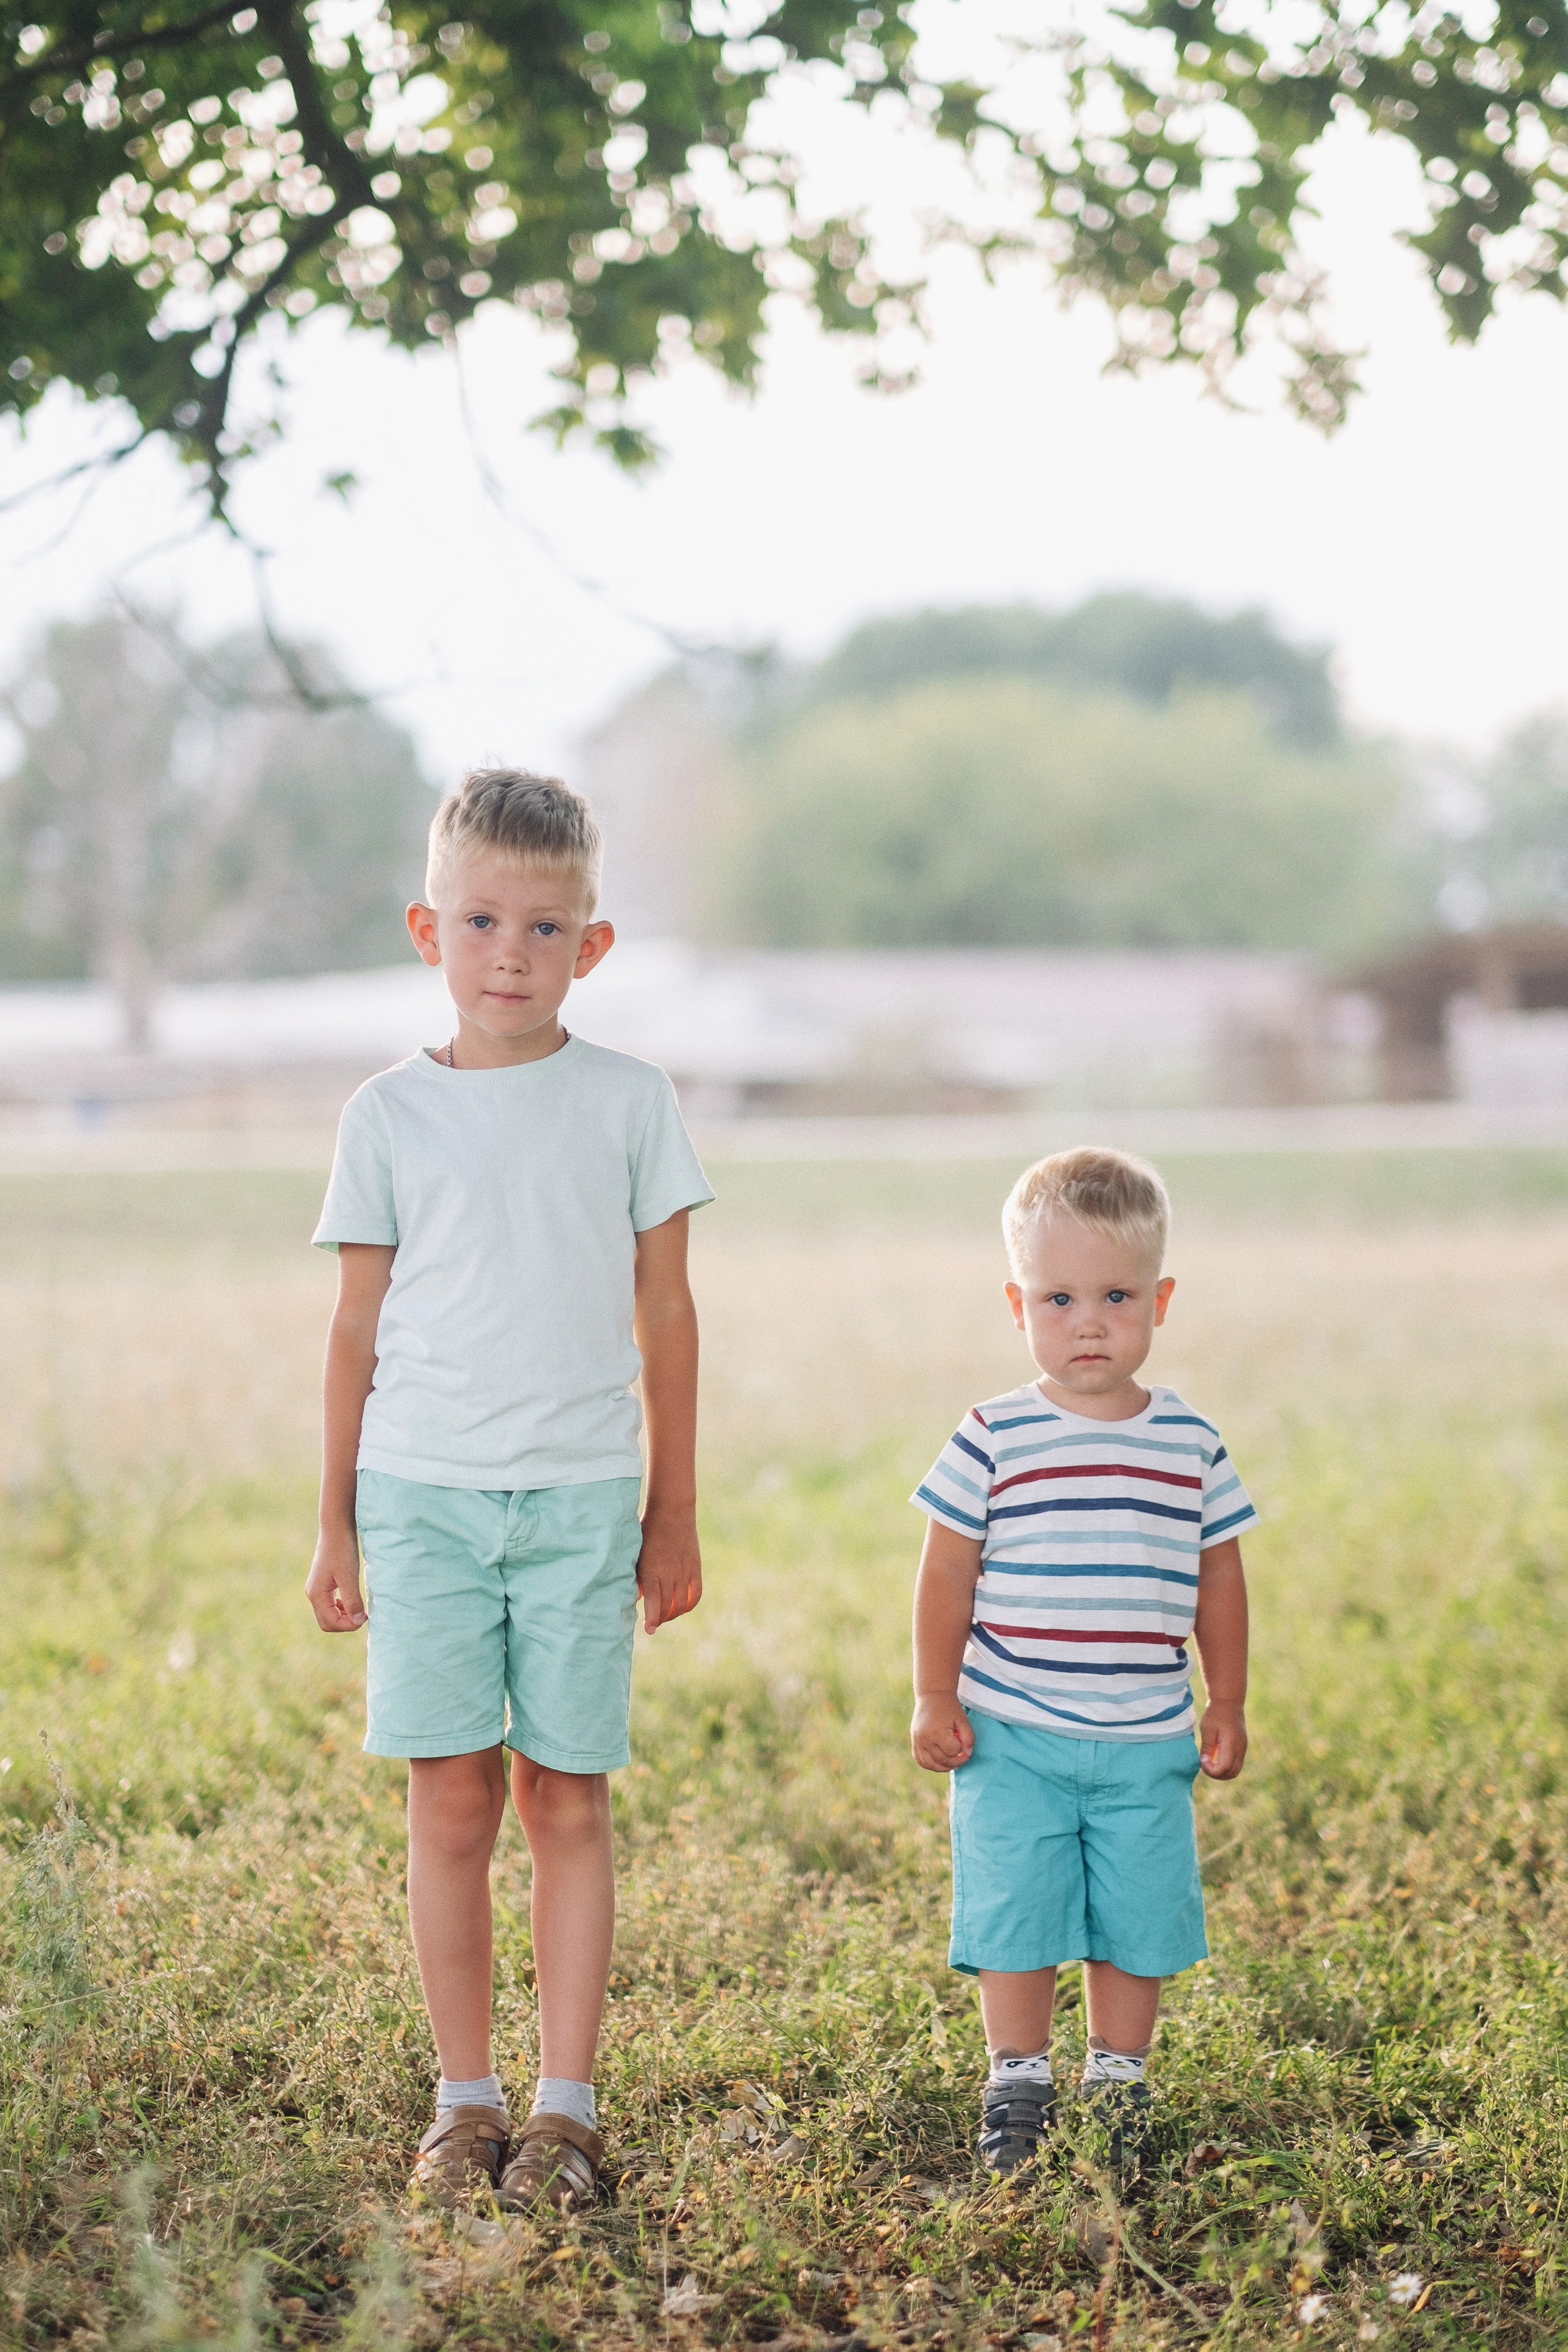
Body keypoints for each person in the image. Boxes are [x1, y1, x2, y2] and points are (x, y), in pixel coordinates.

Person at [305, 767, 712, 2213]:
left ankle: (564, 2111)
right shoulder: (387, 1116)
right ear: (430, 928)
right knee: (452, 1802)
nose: (508, 956)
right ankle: (461, 2100)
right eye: (480, 921)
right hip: (420, 1500)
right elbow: (355, 1329)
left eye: (545, 930)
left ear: (590, 947)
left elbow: (667, 1315)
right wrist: (335, 1515)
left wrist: (671, 1508)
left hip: (582, 1498)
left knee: (566, 1799)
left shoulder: (627, 1102)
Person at [908, 1147, 1255, 2175]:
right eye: (1060, 1298)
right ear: (1018, 1304)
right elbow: (944, 1574)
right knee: (1017, 1909)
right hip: (1012, 1731)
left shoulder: (1188, 1440)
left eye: (1116, 1295)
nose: (1090, 1322)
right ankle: (1018, 2079)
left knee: (1135, 1915)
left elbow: (1220, 1579)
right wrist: (936, 1693)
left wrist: (1226, 1699)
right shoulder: (993, 1435)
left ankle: (1119, 2083)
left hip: (1147, 1737)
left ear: (1162, 1298)